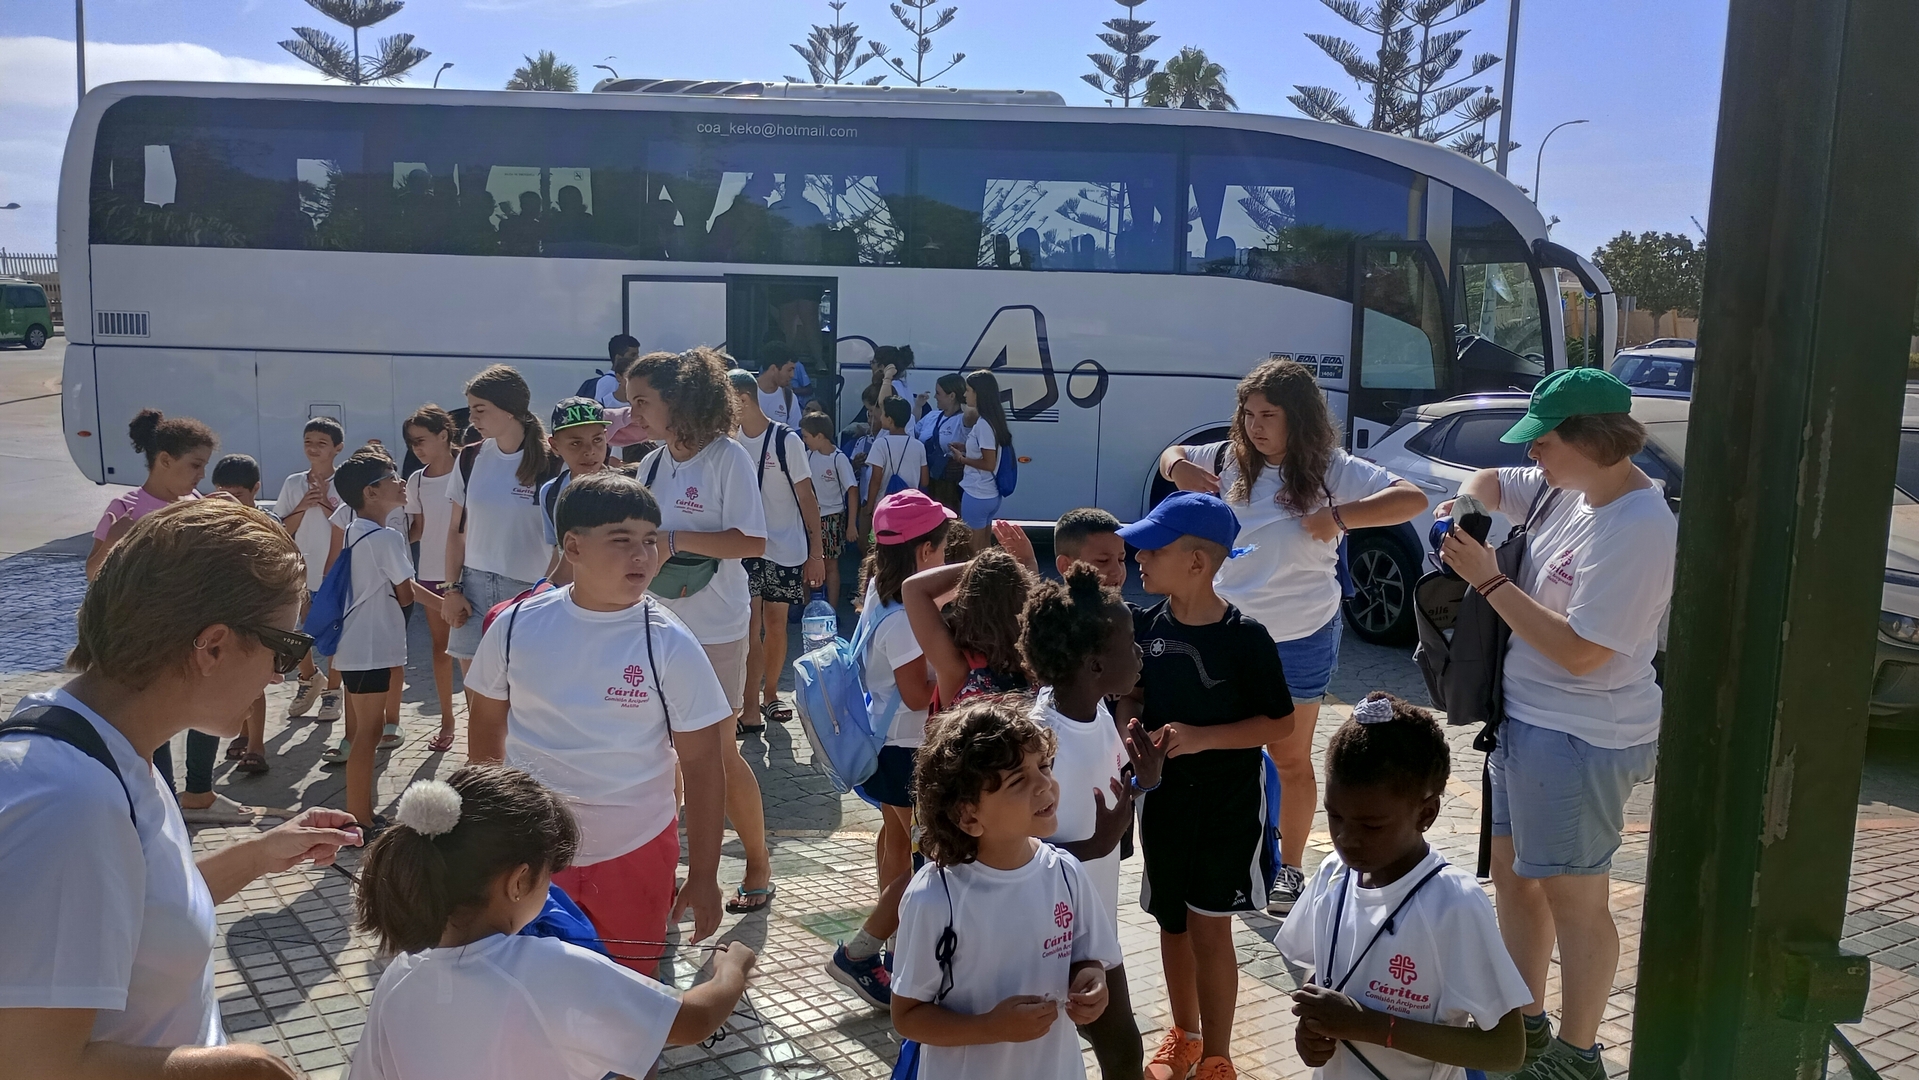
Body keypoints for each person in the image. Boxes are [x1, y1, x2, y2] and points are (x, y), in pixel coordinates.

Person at [0, 499, 361, 1080]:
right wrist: (239, 1068)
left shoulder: (101, 747)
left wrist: (263, 855)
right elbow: (31, 1065)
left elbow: (140, 914)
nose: (283, 674)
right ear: (213, 645)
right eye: (286, 648)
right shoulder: (70, 803)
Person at [1435, 369, 1675, 1080]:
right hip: (1525, 723)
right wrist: (1463, 515)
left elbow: (1579, 652)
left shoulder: (1638, 526)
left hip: (1579, 735)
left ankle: (1576, 1054)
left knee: (1575, 897)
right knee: (1513, 878)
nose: (1531, 454)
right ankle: (1526, 1025)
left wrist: (1486, 579)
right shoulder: (1562, 488)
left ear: (1588, 438)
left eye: (1542, 441)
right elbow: (1482, 477)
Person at [1155, 357, 1426, 915]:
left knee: (1289, 758)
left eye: (1268, 415)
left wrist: (1341, 517)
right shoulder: (1231, 458)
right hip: (1228, 634)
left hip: (1301, 634)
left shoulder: (1330, 466)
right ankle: (1235, 853)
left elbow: (1412, 498)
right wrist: (1178, 467)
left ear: (1297, 418)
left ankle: (1292, 869)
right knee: (1226, 751)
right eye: (1248, 414)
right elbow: (1170, 456)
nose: (1255, 426)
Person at [467, 472, 733, 973]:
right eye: (622, 541)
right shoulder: (515, 625)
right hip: (534, 848)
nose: (642, 556)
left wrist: (703, 873)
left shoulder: (669, 641)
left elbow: (702, 765)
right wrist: (486, 836)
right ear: (573, 546)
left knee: (629, 995)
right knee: (533, 987)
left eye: (650, 541)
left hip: (636, 848)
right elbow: (484, 730)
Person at [349, 767, 755, 1080]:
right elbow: (693, 1020)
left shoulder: (398, 977)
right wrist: (731, 970)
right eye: (549, 876)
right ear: (519, 881)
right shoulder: (549, 966)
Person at [1117, 491, 1296, 1080]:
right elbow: (1135, 697)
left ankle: (1218, 1056)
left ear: (1197, 561)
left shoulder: (1247, 639)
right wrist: (1130, 724)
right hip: (1164, 802)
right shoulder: (1144, 627)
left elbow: (1281, 724)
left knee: (1211, 927)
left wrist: (1201, 738)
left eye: (1152, 546)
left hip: (1228, 808)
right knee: (1172, 921)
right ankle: (1184, 1035)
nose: (1137, 555)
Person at [1277, 693, 1532, 1079]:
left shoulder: (1453, 904)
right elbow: (1321, 974)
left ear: (1426, 813)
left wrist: (1369, 1026)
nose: (1346, 838)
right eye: (1334, 816)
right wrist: (1312, 1028)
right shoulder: (1333, 874)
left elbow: (1507, 1050)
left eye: (1371, 825)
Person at [891, 699, 1121, 1080]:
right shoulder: (934, 897)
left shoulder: (1065, 874)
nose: (1045, 785)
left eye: (1044, 766)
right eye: (1018, 781)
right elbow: (907, 1016)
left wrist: (1092, 983)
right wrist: (990, 1028)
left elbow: (1087, 959)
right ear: (968, 816)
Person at [626, 348, 776, 915]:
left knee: (716, 755)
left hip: (715, 627)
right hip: (656, 623)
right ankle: (669, 872)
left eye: (642, 400)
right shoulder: (651, 465)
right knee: (661, 754)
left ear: (679, 402)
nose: (631, 410)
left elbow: (752, 542)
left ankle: (758, 863)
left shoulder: (727, 458)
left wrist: (674, 541)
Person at [1020, 564, 1158, 1080]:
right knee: (1115, 1052)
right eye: (1130, 642)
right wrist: (1098, 844)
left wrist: (1144, 779)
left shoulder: (1094, 710)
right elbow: (1013, 853)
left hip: (1092, 921)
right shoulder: (1041, 744)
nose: (1140, 652)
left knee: (1120, 1052)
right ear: (1096, 664)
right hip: (1053, 935)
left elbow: (1104, 796)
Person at [86, 410, 253, 825]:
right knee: (152, 723)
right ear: (164, 460)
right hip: (144, 639)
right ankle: (160, 805)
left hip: (195, 636)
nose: (201, 475)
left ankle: (199, 791)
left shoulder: (198, 504)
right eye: (194, 465)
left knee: (204, 709)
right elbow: (93, 572)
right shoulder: (125, 507)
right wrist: (120, 540)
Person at [318, 451, 416, 830]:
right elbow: (406, 593)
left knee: (363, 732)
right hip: (372, 648)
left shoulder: (354, 531)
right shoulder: (385, 537)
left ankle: (360, 810)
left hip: (354, 648)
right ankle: (360, 815)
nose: (401, 482)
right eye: (393, 477)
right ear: (371, 492)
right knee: (367, 735)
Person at [443, 365, 555, 681]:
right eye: (470, 410)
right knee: (476, 697)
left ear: (509, 410)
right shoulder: (469, 457)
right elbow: (455, 530)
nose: (472, 419)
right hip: (472, 591)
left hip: (528, 591)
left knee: (522, 694)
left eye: (480, 409)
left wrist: (547, 592)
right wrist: (451, 589)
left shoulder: (552, 461)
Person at [729, 368, 825, 732]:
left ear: (743, 400)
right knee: (750, 625)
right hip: (744, 546)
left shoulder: (786, 440)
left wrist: (816, 554)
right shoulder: (729, 441)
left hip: (786, 547)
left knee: (776, 624)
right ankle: (749, 708)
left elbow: (807, 497)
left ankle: (771, 695)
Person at [275, 416, 347, 724]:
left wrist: (328, 504)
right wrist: (305, 503)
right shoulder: (293, 483)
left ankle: (333, 691)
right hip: (299, 569)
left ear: (337, 448)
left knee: (333, 634)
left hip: (334, 571)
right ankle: (308, 678)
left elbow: (350, 525)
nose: (313, 449)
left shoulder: (345, 483)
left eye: (322, 444)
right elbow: (281, 528)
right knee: (295, 629)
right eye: (308, 442)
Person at [402, 405, 462, 754]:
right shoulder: (417, 480)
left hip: (467, 574)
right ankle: (448, 722)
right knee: (441, 652)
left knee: (475, 655)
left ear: (444, 435)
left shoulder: (469, 470)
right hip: (430, 577)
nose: (417, 449)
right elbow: (418, 529)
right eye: (412, 443)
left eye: (422, 440)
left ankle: (483, 721)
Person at [211, 454, 271, 777]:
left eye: (239, 496)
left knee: (254, 682)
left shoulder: (266, 524)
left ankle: (256, 746)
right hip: (223, 613)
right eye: (224, 494)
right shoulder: (212, 523)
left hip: (257, 613)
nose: (231, 502)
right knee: (232, 679)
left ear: (256, 489)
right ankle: (244, 731)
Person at [539, 396, 619, 588]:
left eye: (597, 440)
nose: (590, 451)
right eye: (576, 443)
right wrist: (546, 591)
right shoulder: (550, 492)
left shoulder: (625, 491)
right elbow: (559, 553)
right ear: (555, 445)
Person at [949, 369, 1014, 551]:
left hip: (977, 494)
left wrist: (961, 459)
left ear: (978, 393)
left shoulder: (984, 424)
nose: (965, 394)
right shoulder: (993, 420)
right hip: (989, 494)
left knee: (972, 551)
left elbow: (989, 463)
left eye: (968, 390)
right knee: (984, 550)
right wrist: (966, 448)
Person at [801, 412, 858, 608]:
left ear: (820, 436)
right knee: (806, 561)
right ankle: (806, 605)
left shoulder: (838, 458)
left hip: (832, 517)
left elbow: (852, 490)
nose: (804, 440)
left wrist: (851, 525)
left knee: (830, 565)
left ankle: (831, 610)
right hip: (808, 516)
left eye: (806, 436)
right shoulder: (807, 456)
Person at [861, 397, 929, 539]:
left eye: (883, 413)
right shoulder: (918, 446)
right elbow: (925, 481)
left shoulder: (880, 444)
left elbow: (876, 479)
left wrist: (869, 507)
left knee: (881, 542)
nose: (880, 416)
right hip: (910, 505)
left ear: (890, 420)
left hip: (884, 505)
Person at [915, 373, 969, 513]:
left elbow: (975, 413)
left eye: (938, 393)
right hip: (926, 479)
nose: (935, 397)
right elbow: (912, 432)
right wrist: (918, 406)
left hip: (949, 485)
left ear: (951, 396)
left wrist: (963, 400)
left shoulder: (963, 420)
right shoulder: (933, 415)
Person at [756, 343, 806, 429]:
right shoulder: (746, 392)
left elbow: (796, 433)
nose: (792, 375)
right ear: (774, 369)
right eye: (789, 370)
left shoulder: (789, 398)